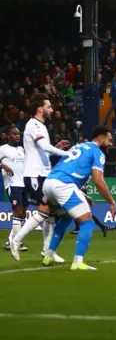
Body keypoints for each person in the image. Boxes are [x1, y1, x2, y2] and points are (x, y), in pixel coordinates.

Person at [39, 125, 116, 270]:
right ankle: (78, 262)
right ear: (100, 137)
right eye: (109, 139)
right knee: (87, 222)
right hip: (64, 185)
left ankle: (48, 255)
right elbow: (98, 181)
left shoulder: (78, 146)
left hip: (49, 182)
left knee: (67, 217)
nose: (111, 143)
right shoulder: (97, 152)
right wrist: (111, 202)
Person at [8, 94, 70, 262]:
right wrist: (66, 154)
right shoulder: (34, 125)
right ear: (39, 108)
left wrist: (56, 148)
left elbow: (42, 149)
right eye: (49, 106)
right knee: (45, 210)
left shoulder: (41, 126)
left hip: (43, 174)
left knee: (50, 214)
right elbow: (43, 146)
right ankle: (15, 240)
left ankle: (46, 251)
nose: (52, 109)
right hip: (35, 175)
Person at [0, 128, 29, 252]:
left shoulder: (21, 149)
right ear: (8, 136)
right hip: (13, 184)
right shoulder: (2, 149)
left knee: (22, 213)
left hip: (24, 184)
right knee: (17, 212)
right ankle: (17, 242)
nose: (18, 136)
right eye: (14, 134)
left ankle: (10, 241)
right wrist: (3, 166)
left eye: (18, 134)